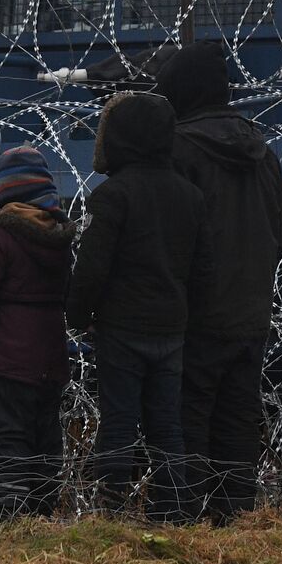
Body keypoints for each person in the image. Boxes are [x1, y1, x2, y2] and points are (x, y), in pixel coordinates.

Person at [155, 41, 282, 523]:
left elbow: (170, 234)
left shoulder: (179, 150)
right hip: (251, 312)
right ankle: (236, 520)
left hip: (196, 315)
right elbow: (279, 230)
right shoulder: (262, 153)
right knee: (237, 424)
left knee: (188, 423)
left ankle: (189, 523)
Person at [67, 92, 214, 523]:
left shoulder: (112, 196)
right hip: (171, 329)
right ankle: (170, 511)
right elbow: (202, 268)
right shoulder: (190, 195)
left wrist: (76, 317)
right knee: (167, 427)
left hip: (121, 328)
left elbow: (92, 266)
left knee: (118, 423)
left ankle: (112, 509)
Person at [0, 145, 76, 520]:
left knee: (6, 435)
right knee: (44, 436)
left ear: (4, 191)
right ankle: (42, 508)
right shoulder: (59, 236)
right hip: (50, 355)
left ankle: (10, 515)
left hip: (6, 358)